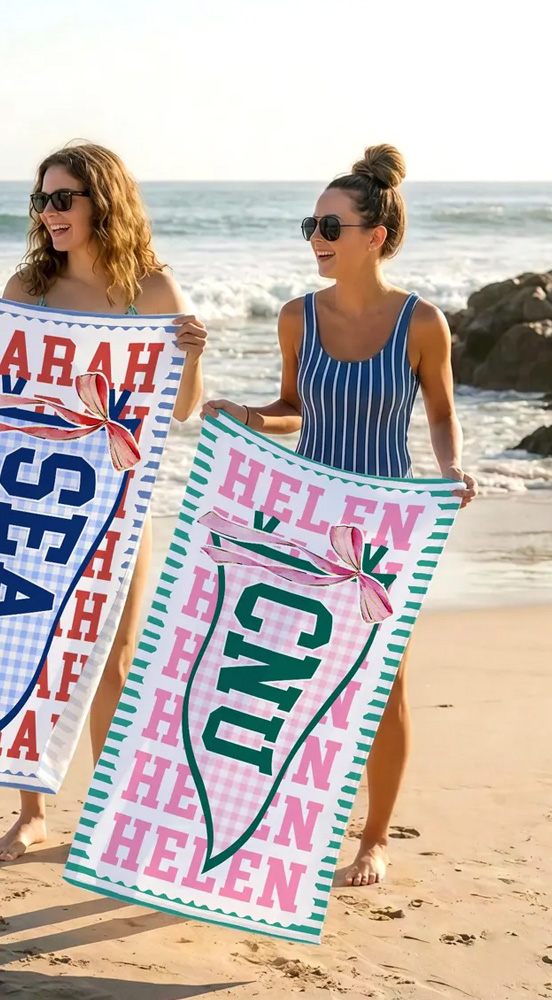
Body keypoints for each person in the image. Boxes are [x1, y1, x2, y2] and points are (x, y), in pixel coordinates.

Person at [0, 141, 208, 862]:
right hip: (28, 494)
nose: (48, 213)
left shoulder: (151, 291)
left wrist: (193, 354)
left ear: (100, 202)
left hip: (114, 502)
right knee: (30, 647)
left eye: (61, 199)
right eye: (41, 200)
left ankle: (112, 815)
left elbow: (181, 410)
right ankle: (32, 814)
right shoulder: (29, 287)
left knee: (114, 660)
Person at [201, 144, 477, 887]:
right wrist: (248, 416)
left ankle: (374, 839)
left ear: (374, 236)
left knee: (382, 685)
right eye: (310, 226)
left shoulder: (423, 324)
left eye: (330, 226)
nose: (316, 238)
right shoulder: (297, 317)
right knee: (288, 677)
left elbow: (441, 414)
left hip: (385, 527)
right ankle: (278, 821)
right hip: (304, 519)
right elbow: (294, 408)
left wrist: (451, 468)